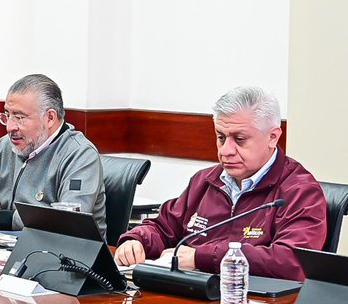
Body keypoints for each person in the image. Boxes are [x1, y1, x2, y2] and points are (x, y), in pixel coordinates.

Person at [114, 86, 326, 280]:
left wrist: (200, 258)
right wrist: (137, 240)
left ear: (272, 137)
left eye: (240, 139)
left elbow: (291, 261)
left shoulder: (300, 191)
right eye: (221, 137)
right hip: (192, 301)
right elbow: (164, 227)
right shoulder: (206, 181)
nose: (226, 151)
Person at [0, 74, 106, 234]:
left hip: (67, 254)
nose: (10, 127)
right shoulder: (4, 146)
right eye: (7, 115)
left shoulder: (80, 154)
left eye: (19, 117)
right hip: (8, 250)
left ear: (50, 118)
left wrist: (0, 218)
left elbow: (68, 219)